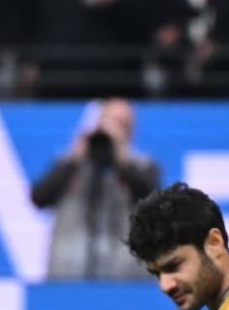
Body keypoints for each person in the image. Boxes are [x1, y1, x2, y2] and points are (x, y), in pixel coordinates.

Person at [31, 99, 161, 281]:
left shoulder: (143, 165)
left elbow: (152, 202)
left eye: (121, 125)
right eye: (109, 122)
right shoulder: (70, 163)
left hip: (124, 277)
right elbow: (38, 198)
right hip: (69, 273)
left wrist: (122, 158)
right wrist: (75, 156)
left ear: (131, 130)